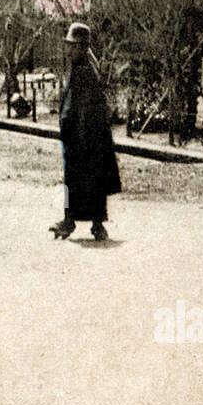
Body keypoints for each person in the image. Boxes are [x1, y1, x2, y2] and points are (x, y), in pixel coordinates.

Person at [51, 22, 121, 241]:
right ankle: (88, 223)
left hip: (84, 138)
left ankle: (79, 222)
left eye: (72, 46)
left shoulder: (84, 72)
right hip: (83, 137)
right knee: (85, 180)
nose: (69, 50)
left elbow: (83, 109)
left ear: (82, 48)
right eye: (69, 46)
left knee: (82, 179)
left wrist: (76, 137)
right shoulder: (80, 69)